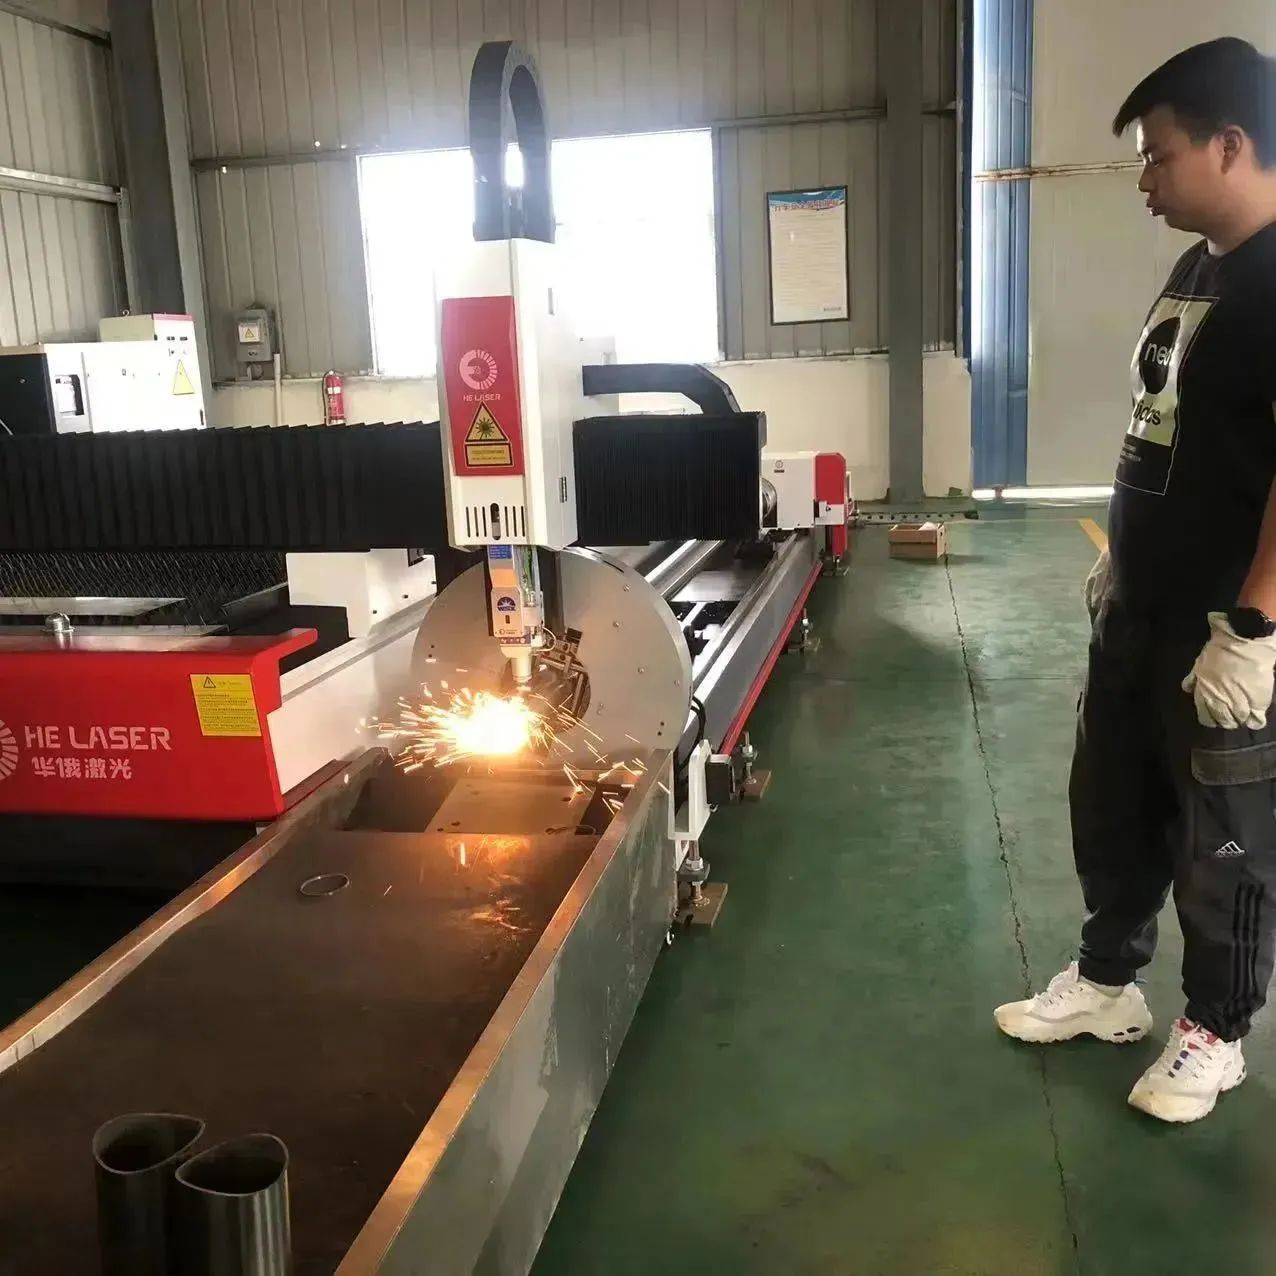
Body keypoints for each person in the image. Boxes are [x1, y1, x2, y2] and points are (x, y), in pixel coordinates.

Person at [994, 37, 1276, 1124]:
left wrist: (1253, 626)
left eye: (1159, 156)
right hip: (1142, 604)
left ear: (1230, 144)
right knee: (1113, 803)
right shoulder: (1198, 268)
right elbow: (1167, 431)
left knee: (1221, 834)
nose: (1144, 180)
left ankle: (1216, 1031)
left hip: (1221, 622)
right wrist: (1122, 561)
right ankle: (1109, 981)